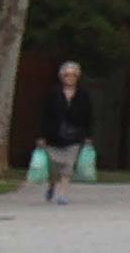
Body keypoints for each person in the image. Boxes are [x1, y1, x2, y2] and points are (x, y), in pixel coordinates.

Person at [40, 58, 94, 200]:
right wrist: (41, 136)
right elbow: (45, 115)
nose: (70, 78)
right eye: (67, 75)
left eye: (74, 75)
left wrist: (88, 136)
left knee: (68, 166)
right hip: (54, 136)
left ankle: (63, 194)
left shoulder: (83, 95)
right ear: (61, 77)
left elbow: (88, 116)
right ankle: (52, 185)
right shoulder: (53, 93)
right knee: (54, 168)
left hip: (74, 136)